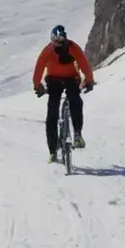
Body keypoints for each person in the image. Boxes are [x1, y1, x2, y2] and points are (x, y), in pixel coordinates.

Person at [32, 24, 95, 163]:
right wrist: (88, 81)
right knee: (75, 101)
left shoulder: (49, 50)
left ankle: (53, 151)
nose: (59, 44)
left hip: (57, 81)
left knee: (52, 114)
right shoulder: (73, 48)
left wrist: (38, 86)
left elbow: (39, 69)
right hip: (70, 80)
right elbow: (85, 66)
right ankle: (77, 134)